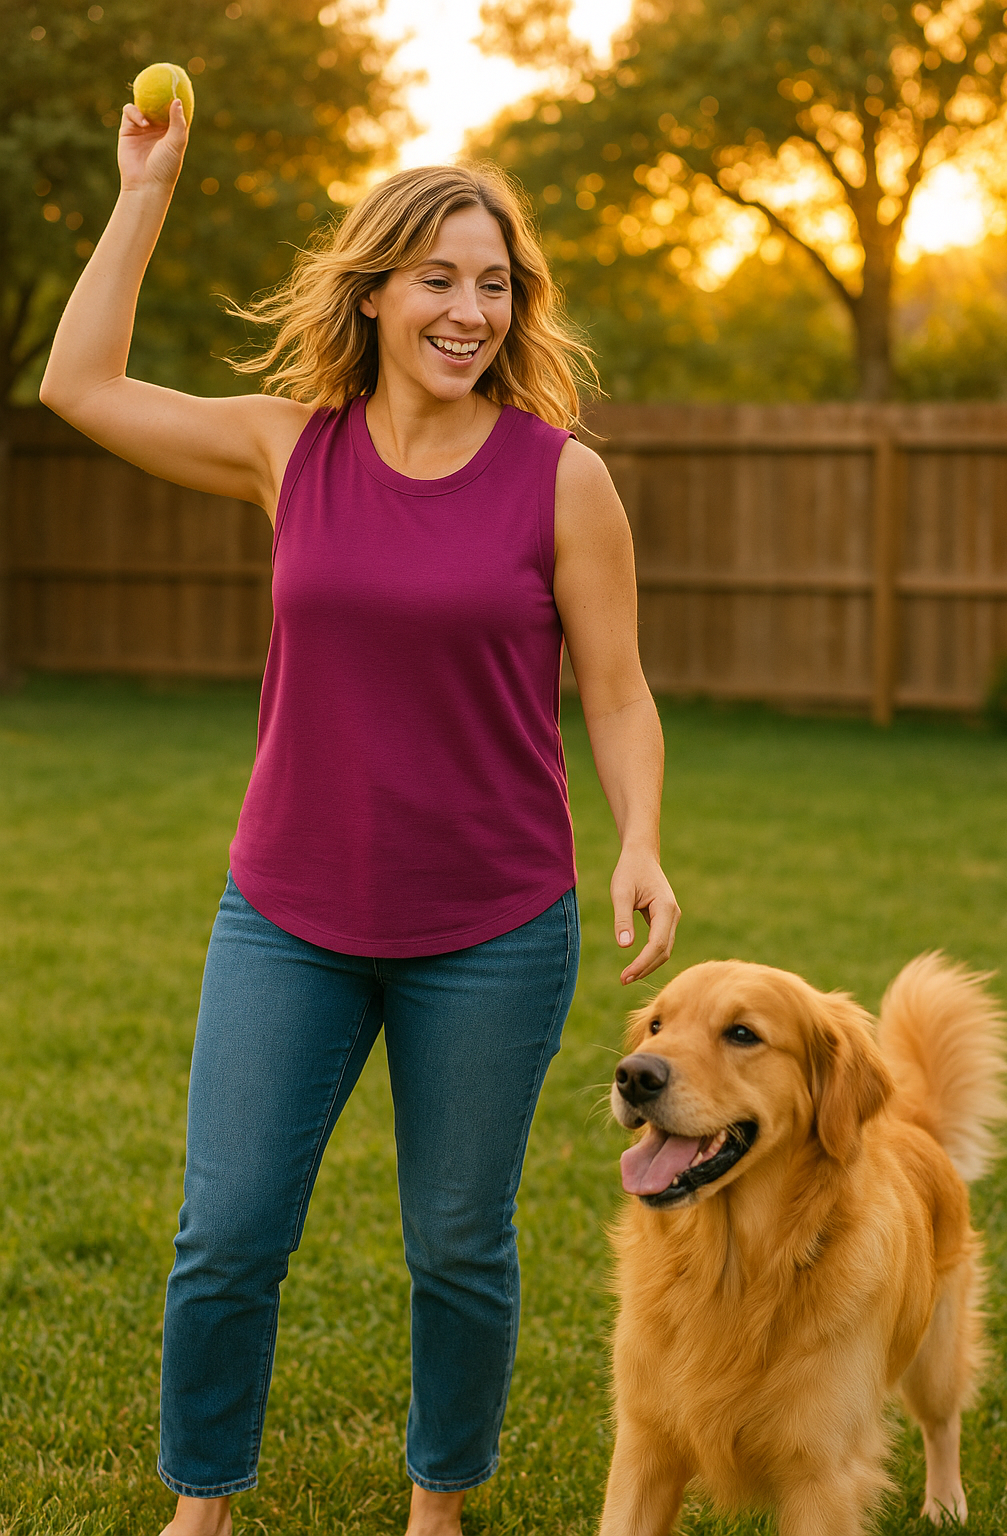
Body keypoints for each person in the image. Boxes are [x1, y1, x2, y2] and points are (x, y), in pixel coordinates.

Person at [39, 93, 680, 1536]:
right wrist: (145, 193)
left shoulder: (563, 479)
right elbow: (77, 389)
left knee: (458, 1247)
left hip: (493, 929)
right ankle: (200, 1509)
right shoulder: (292, 448)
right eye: (440, 279)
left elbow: (622, 694)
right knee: (227, 1239)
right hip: (287, 916)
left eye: (494, 284)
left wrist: (637, 839)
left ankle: (435, 1508)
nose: (468, 310)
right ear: (378, 290)